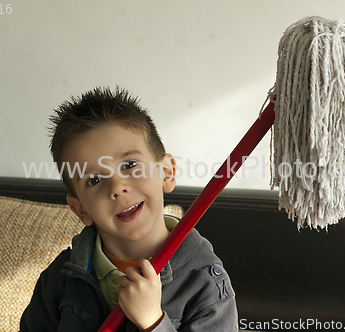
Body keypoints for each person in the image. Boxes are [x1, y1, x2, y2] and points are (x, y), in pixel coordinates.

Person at [19, 87, 238, 331]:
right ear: (81, 210)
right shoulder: (59, 279)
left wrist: (153, 322)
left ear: (166, 172)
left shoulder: (204, 284)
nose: (117, 187)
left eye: (130, 165)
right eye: (94, 180)